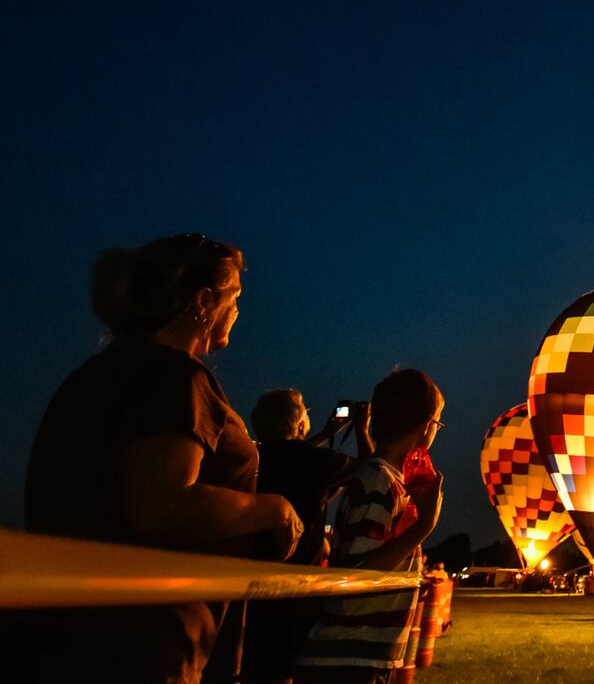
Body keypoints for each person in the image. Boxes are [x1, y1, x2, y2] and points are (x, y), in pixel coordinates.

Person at [20, 234, 301, 684]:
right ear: (204, 301)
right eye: (235, 298)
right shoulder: (176, 377)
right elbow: (162, 504)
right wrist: (274, 511)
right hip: (143, 643)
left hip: (65, 636)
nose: (238, 311)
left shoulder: (94, 376)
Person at [295, 369, 446, 681]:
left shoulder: (389, 480)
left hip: (365, 654)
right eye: (438, 423)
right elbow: (359, 573)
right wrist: (425, 526)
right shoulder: (378, 481)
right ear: (426, 427)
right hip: (346, 658)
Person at [245, 391, 374, 684]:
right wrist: (362, 429)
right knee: (286, 668)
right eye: (304, 410)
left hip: (251, 582)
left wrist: (326, 434)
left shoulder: (254, 455)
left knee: (256, 666)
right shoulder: (311, 460)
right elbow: (367, 467)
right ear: (298, 423)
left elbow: (292, 457)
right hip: (297, 585)